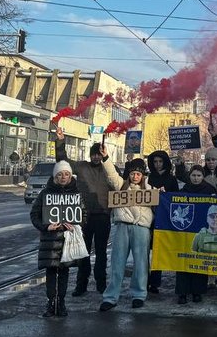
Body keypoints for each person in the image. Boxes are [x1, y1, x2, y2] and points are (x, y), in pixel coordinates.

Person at [55, 128, 115, 296]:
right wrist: (60, 141)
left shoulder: (108, 169)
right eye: (93, 154)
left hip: (103, 215)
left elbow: (120, 185)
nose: (96, 157)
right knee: (83, 252)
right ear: (90, 155)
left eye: (98, 154)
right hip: (83, 217)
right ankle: (81, 285)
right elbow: (62, 161)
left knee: (101, 253)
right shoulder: (81, 167)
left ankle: (101, 284)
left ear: (102, 154)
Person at [30, 161, 86, 317]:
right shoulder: (45, 194)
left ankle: (61, 302)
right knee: (50, 273)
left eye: (66, 174)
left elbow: (83, 215)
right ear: (55, 176)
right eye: (60, 174)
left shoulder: (75, 194)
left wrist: (75, 224)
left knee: (64, 272)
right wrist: (46, 227)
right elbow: (34, 215)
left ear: (70, 176)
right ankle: (51, 302)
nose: (63, 177)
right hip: (50, 239)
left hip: (68, 241)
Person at [99, 158, 155, 311]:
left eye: (138, 174)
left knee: (141, 263)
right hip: (122, 226)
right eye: (133, 174)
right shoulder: (121, 186)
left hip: (141, 228)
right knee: (117, 262)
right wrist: (105, 159)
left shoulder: (150, 188)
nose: (135, 176)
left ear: (142, 175)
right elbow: (111, 174)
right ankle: (111, 296)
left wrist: (161, 193)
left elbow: (159, 199)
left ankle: (139, 295)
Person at [175, 165, 217, 304]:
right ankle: (182, 292)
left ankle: (197, 292)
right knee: (183, 261)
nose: (196, 178)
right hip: (185, 232)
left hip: (203, 231)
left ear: (203, 176)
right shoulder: (184, 190)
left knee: (200, 261)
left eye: (199, 175)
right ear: (190, 176)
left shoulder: (210, 190)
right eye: (193, 175)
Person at [146, 150, 180, 295]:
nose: (158, 164)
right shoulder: (148, 178)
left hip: (164, 218)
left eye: (160, 161)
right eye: (155, 162)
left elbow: (176, 198)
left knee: (158, 251)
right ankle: (145, 280)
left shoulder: (171, 179)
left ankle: (155, 282)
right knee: (146, 252)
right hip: (149, 217)